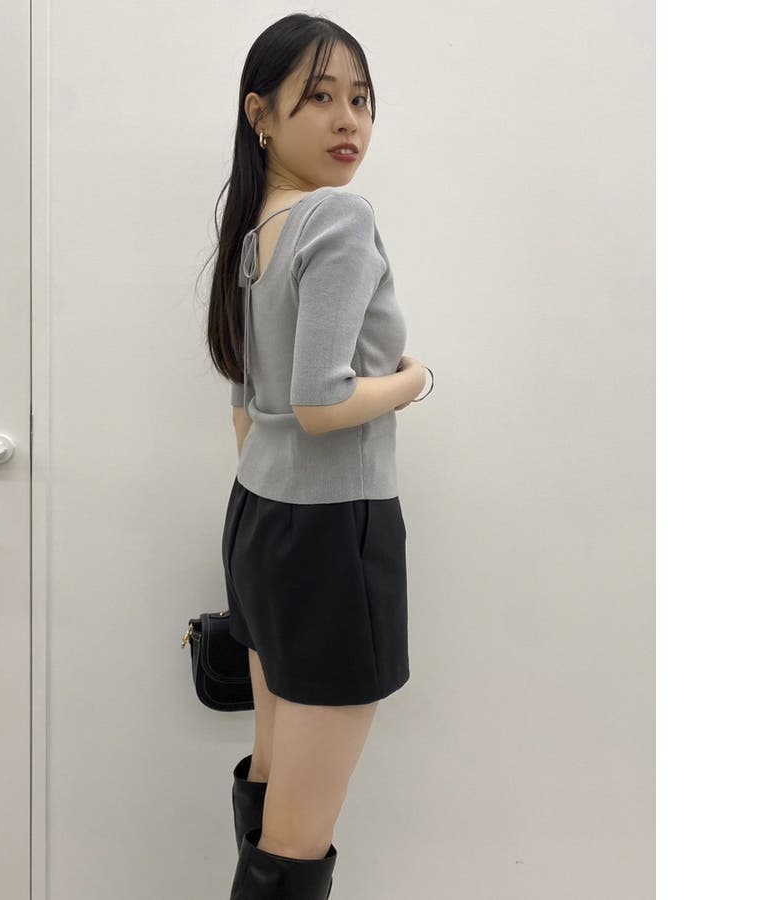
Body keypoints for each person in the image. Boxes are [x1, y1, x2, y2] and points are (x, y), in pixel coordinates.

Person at [204, 13, 432, 899]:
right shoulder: (336, 216)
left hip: (261, 523)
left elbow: (246, 407)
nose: (349, 122)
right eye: (320, 98)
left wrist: (267, 521)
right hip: (334, 536)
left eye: (362, 100)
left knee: (274, 779)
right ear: (260, 114)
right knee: (298, 839)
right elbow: (322, 403)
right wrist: (416, 380)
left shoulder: (255, 230)